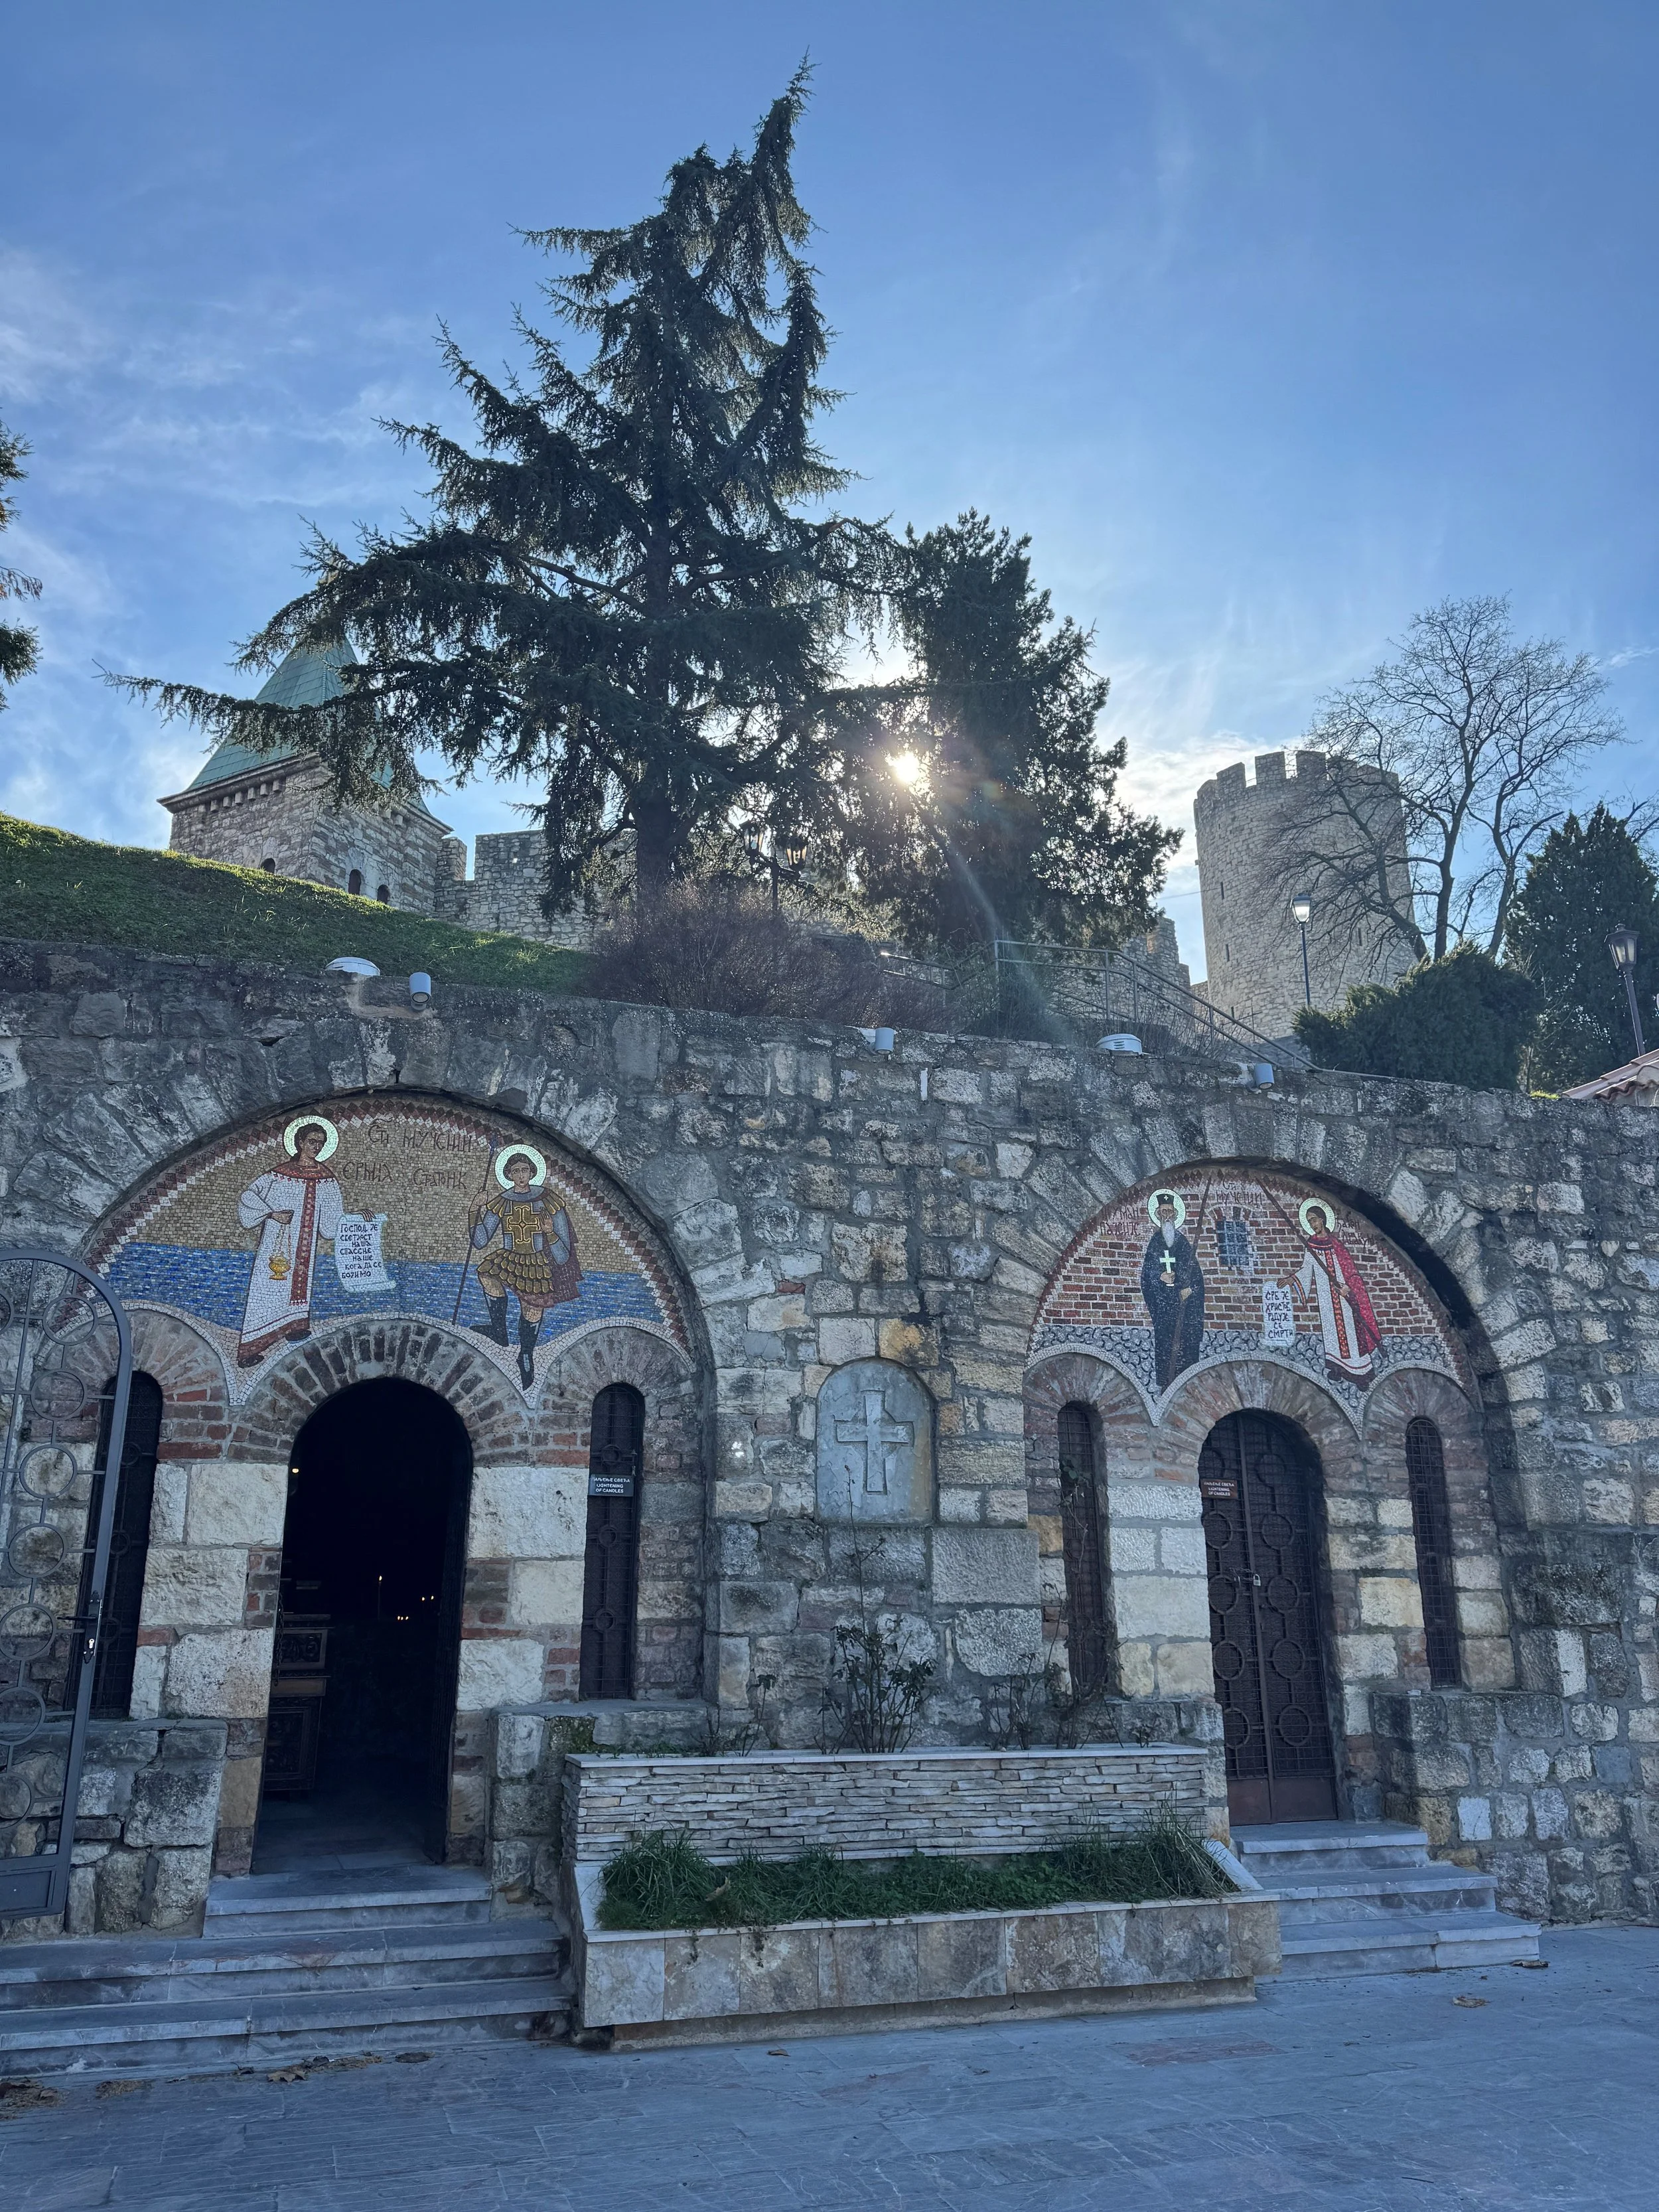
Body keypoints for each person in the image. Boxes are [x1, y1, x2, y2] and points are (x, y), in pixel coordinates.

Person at [236, 1119, 344, 1368]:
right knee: (266, 1291)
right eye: (312, 1142)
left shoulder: (326, 1178)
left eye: (321, 1143)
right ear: (299, 1142)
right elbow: (248, 1197)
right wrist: (271, 1213)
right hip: (276, 1246)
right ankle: (250, 1348)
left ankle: (295, 1326)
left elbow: (332, 1224)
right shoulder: (278, 1175)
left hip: (306, 1249)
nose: (316, 1147)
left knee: (300, 1287)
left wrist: (357, 1218)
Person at [467, 1146, 581, 1385]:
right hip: (510, 1258)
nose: (520, 1175)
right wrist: (474, 1210)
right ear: (508, 1174)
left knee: (532, 1309)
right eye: (516, 1171)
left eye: (525, 1170)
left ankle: (526, 1354)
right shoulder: (502, 1202)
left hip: (536, 1261)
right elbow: (480, 1241)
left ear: (532, 1173)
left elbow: (563, 1254)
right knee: (487, 1274)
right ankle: (499, 1332)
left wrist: (549, 1233)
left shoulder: (548, 1200)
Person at [1295, 1200, 1382, 1384]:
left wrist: (1348, 1288)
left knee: (1352, 1331)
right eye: (1310, 1222)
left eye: (1315, 1220)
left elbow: (1351, 1271)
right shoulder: (1311, 1244)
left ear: (1324, 1220)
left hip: (1344, 1296)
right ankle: (1337, 1367)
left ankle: (1362, 1372)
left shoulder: (1337, 1245)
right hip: (1326, 1297)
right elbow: (1306, 1269)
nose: (1313, 1225)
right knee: (1332, 1332)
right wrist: (1292, 1280)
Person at [1140, 1189, 1205, 1390]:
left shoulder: (1183, 1243)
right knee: (1166, 1344)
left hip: (1185, 1306)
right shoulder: (1155, 1243)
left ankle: (1188, 1380)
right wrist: (1159, 1276)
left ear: (1175, 1215)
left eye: (1170, 1212)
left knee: (1187, 1342)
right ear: (1158, 1215)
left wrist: (1190, 1290)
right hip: (1164, 1307)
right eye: (1163, 1212)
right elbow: (1146, 1275)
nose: (1166, 1216)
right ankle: (1166, 1383)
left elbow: (1196, 1276)